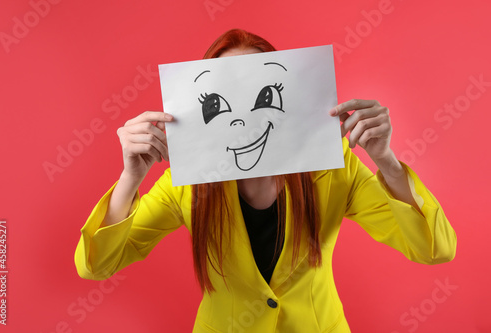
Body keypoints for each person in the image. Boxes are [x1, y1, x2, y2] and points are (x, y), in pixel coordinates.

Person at [74, 29, 457, 332]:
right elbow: (95, 267)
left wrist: (386, 163)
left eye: (261, 94)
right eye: (219, 102)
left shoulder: (335, 167)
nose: (242, 120)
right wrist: (130, 178)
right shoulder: (186, 183)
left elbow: (434, 249)